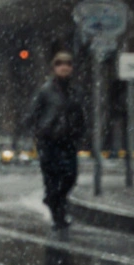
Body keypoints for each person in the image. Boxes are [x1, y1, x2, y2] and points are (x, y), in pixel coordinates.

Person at [20, 51, 86, 229]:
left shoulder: (75, 91)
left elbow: (80, 114)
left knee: (69, 177)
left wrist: (79, 133)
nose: (64, 68)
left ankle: (54, 202)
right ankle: (59, 217)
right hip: (49, 141)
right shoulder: (45, 91)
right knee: (52, 178)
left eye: (67, 64)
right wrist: (38, 131)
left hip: (68, 141)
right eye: (60, 64)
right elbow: (33, 114)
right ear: (54, 68)